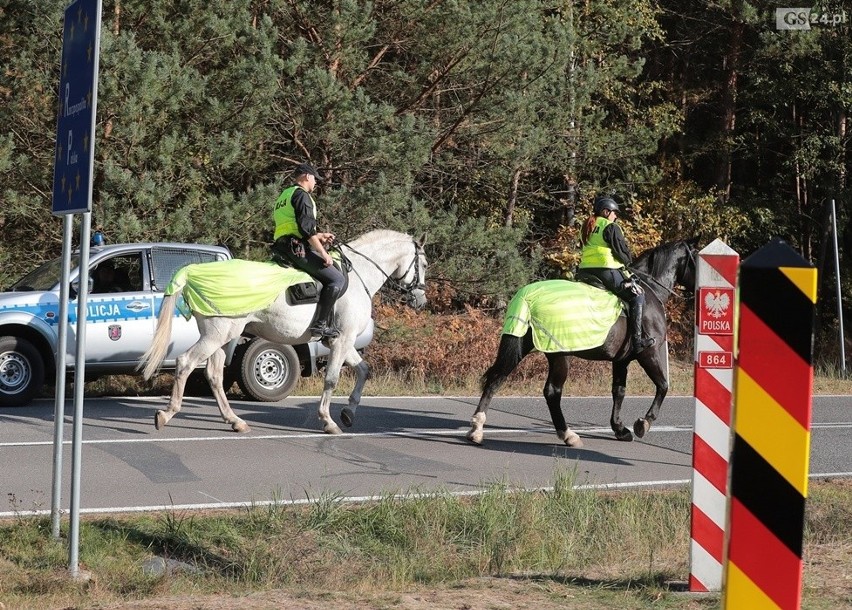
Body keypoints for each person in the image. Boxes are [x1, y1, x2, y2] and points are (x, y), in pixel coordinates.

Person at [270, 162, 345, 340]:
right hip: (296, 249)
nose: (316, 183)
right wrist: (324, 253)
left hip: (281, 246)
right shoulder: (302, 196)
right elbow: (306, 230)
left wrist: (319, 235)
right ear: (306, 176)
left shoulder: (284, 196)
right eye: (315, 179)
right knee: (337, 279)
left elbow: (292, 226)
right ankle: (320, 325)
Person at [577, 196, 655, 355]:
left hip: (584, 271)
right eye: (614, 213)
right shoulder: (610, 226)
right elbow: (622, 252)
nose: (616, 216)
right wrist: (628, 262)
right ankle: (637, 341)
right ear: (606, 212)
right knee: (637, 295)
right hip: (606, 270)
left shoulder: (586, 226)